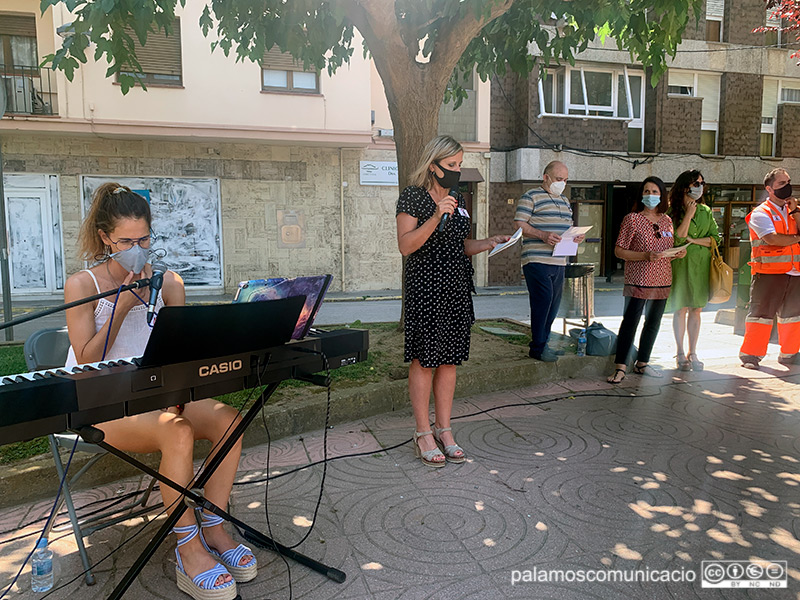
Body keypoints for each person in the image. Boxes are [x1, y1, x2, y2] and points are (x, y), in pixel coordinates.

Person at [64, 184, 254, 600]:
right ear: (105, 239)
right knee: (178, 430)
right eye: (127, 242)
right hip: (102, 401)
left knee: (230, 421)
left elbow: (182, 355)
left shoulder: (168, 282)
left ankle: (215, 523)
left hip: (157, 392)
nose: (138, 248)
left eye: (145, 239)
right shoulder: (83, 284)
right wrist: (124, 305)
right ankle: (187, 546)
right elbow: (85, 357)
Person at [396, 136, 509, 467]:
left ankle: (444, 430)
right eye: (452, 165)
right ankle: (422, 433)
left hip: (456, 288)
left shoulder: (458, 199)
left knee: (449, 361)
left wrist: (487, 242)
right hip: (426, 288)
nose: (457, 171)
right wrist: (434, 217)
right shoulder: (413, 197)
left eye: (460, 165)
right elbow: (406, 246)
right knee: (425, 359)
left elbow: (458, 245)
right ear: (433, 166)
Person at [607, 177, 686, 384]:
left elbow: (667, 245)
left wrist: (677, 254)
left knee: (653, 323)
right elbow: (619, 250)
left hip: (662, 278)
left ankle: (643, 362)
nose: (650, 196)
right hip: (639, 279)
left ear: (662, 195)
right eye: (647, 191)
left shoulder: (667, 220)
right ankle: (620, 367)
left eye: (655, 192)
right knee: (630, 322)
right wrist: (644, 256)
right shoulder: (632, 219)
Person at [514, 161, 585, 362]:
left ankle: (543, 344)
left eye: (565, 179)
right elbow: (520, 224)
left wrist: (575, 236)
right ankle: (537, 347)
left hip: (559, 260)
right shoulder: (531, 196)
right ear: (546, 177)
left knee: (553, 304)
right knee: (543, 301)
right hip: (536, 258)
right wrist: (542, 235)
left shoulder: (564, 201)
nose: (562, 183)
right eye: (558, 179)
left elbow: (566, 227)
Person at [739, 168, 800, 369]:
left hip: (795, 271)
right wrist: (798, 238)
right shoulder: (760, 213)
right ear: (769, 188)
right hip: (768, 274)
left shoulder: (794, 211)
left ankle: (789, 354)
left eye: (788, 182)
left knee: (792, 316)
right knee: (760, 316)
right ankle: (750, 356)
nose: (787, 186)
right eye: (782, 183)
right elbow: (772, 239)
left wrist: (796, 212)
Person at [666, 170, 721, 371]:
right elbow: (677, 239)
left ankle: (693, 351)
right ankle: (680, 352)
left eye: (701, 183)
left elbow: (716, 238)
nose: (699, 186)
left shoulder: (706, 211)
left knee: (696, 309)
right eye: (695, 183)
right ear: (683, 186)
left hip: (701, 266)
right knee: (680, 308)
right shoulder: (671, 212)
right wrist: (688, 215)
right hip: (680, 265)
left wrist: (694, 240)